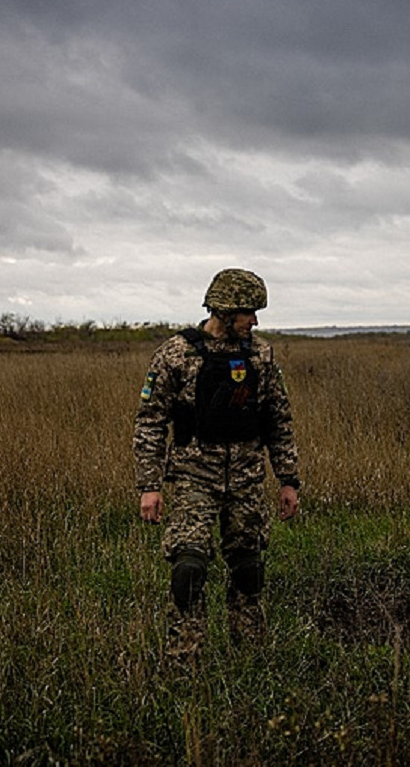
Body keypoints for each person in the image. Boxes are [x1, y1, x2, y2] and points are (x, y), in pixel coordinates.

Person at [133, 268, 300, 660]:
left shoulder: (261, 355)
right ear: (224, 311)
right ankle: (184, 660)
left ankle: (250, 659)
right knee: (188, 570)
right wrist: (149, 486)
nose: (255, 321)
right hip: (194, 477)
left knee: (248, 570)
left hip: (246, 478)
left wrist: (288, 479)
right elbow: (150, 422)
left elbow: (278, 419)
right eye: (248, 313)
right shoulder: (177, 354)